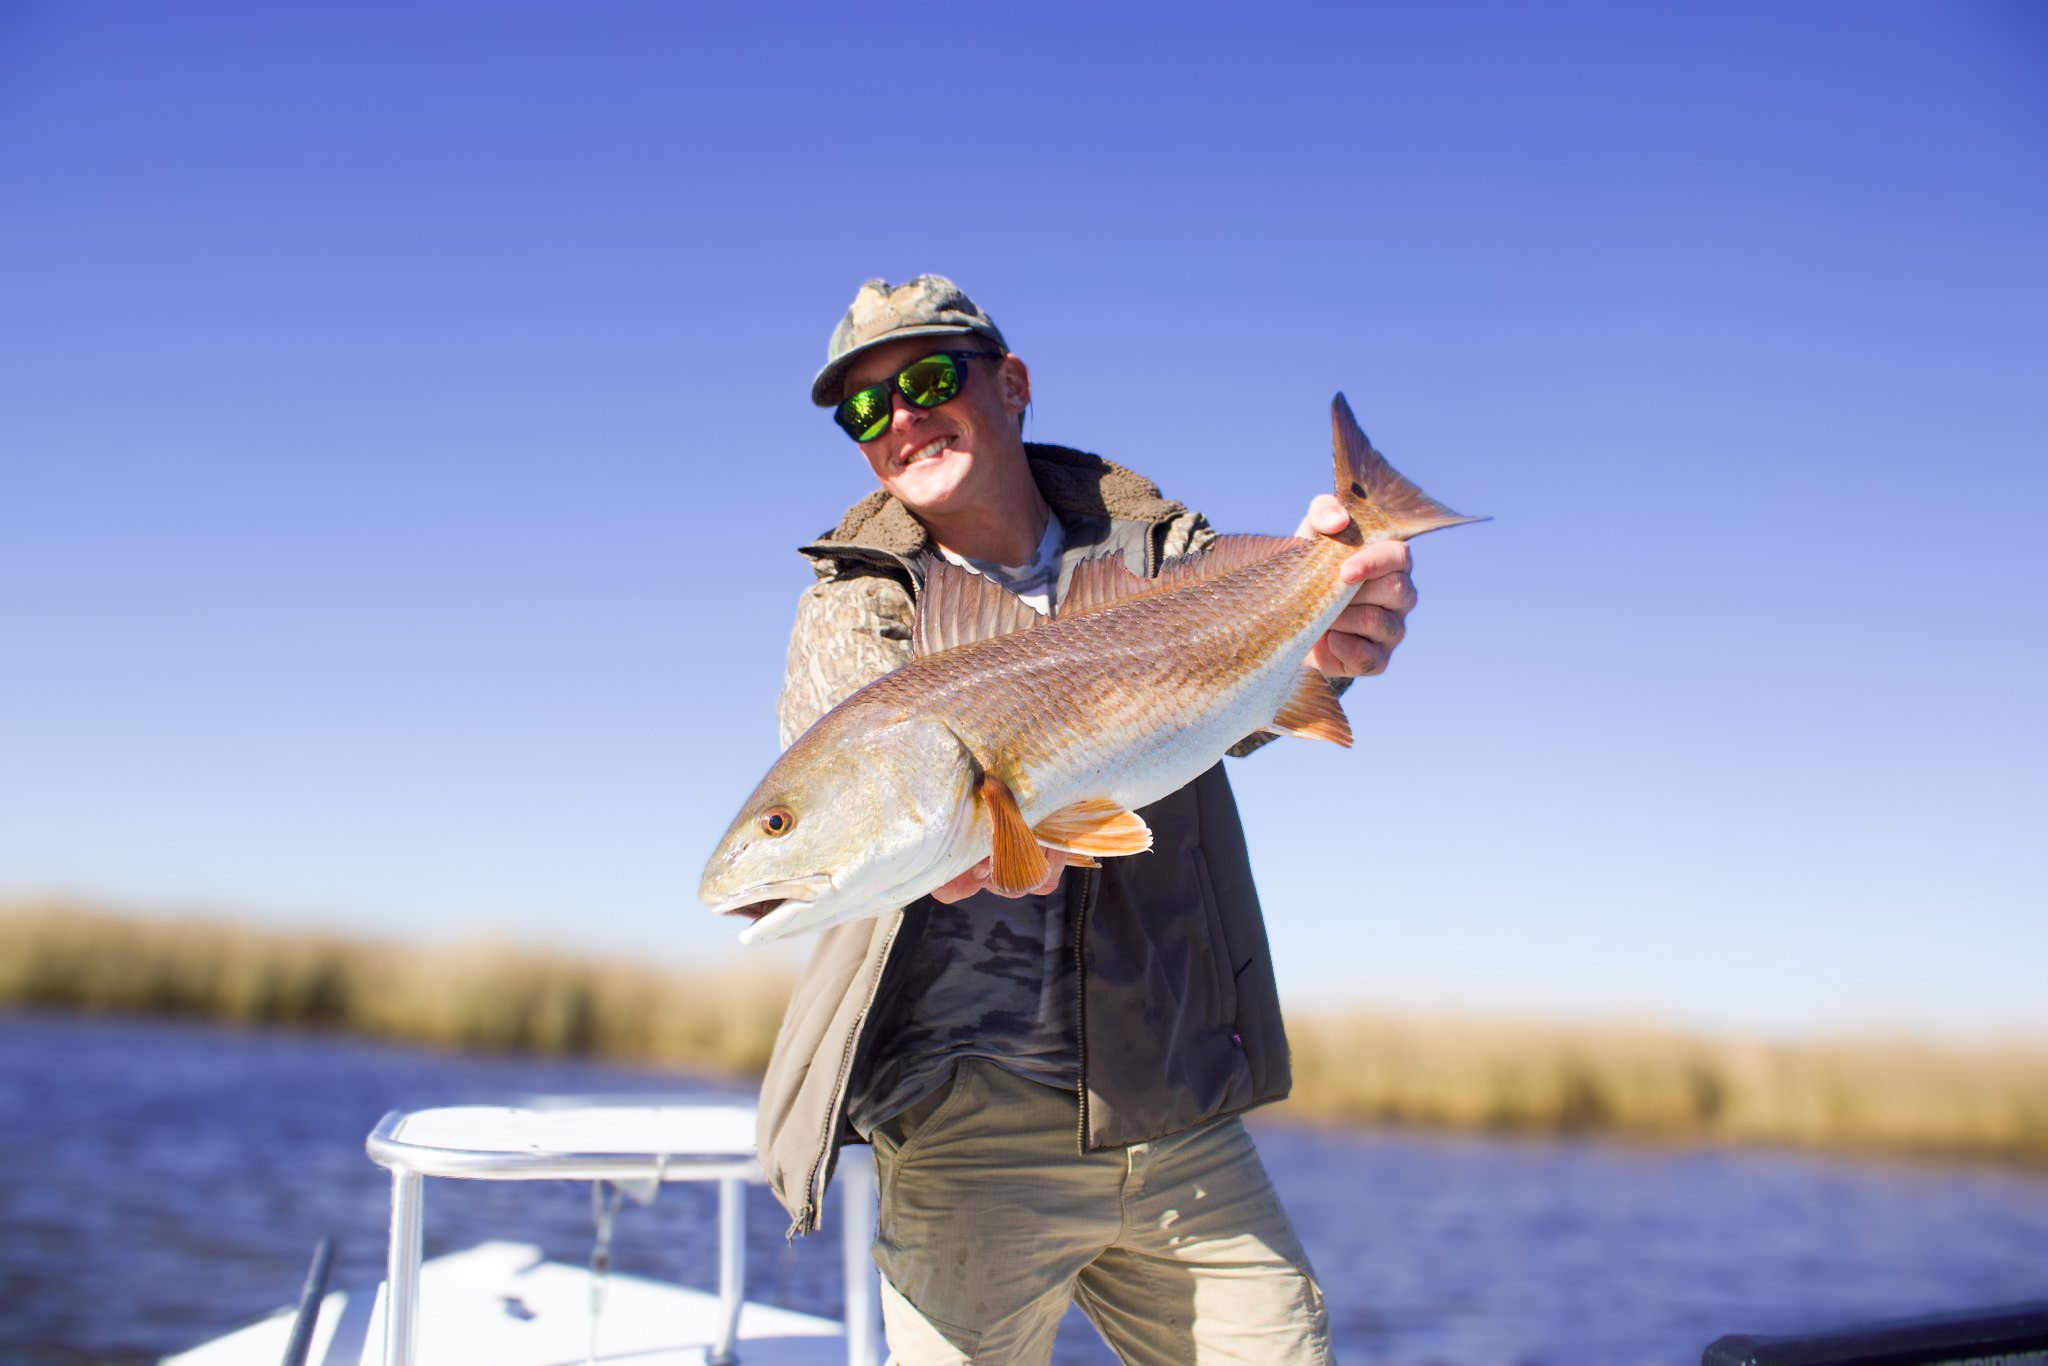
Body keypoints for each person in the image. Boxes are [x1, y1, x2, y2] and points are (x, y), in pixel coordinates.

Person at [755, 275, 1418, 1365]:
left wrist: (1340, 627)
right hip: (965, 1122)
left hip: (1177, 1101)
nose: (901, 419)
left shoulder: (1159, 548)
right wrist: (939, 839)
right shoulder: (850, 600)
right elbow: (863, 772)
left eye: (929, 380)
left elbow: (1245, 711)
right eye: (865, 409)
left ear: (1012, 385)